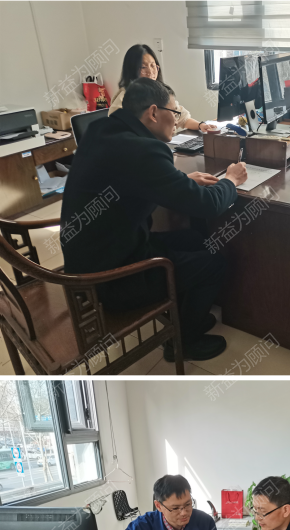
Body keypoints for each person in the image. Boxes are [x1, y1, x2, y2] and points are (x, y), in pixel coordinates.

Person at [61, 78, 247, 362]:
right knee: (214, 265)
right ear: (153, 112)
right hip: (109, 279)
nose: (178, 120)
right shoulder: (144, 150)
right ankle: (183, 342)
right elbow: (208, 206)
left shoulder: (102, 130)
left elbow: (128, 180)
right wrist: (231, 180)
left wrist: (178, 180)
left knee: (196, 239)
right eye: (175, 112)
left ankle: (185, 317)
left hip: (91, 261)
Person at [109, 43, 218, 134]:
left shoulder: (159, 92)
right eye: (143, 67)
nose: (150, 72)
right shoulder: (124, 99)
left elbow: (181, 117)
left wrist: (201, 125)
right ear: (131, 70)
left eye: (153, 66)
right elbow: (117, 131)